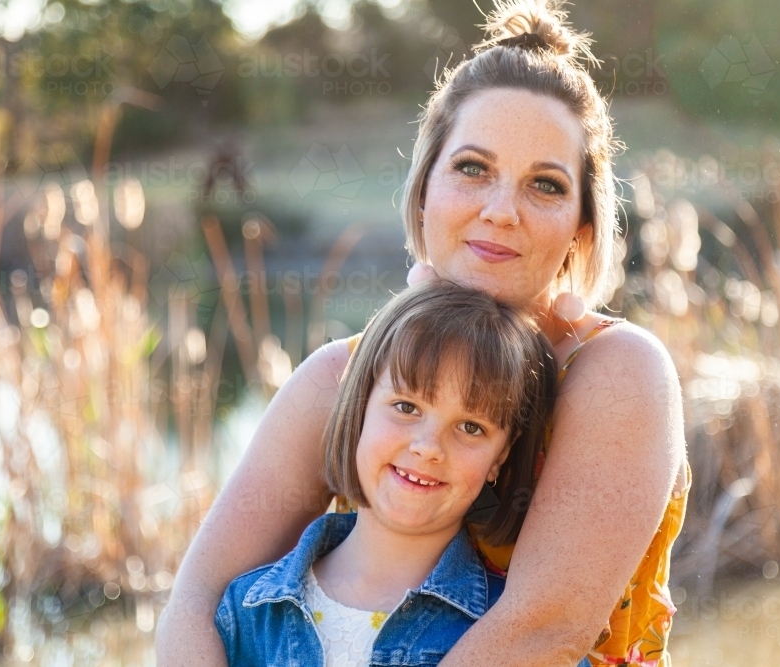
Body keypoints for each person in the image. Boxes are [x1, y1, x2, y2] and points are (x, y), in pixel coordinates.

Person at [156, 0, 689, 665]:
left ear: (582, 225)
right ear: (423, 190)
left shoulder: (615, 371)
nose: (501, 212)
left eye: (545, 185)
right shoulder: (342, 376)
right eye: (473, 169)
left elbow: (544, 628)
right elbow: (196, 600)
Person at [214, 280, 558, 667]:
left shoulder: (517, 641)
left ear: (500, 458)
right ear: (359, 407)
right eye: (406, 407)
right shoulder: (246, 614)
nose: (428, 447)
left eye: (471, 428)